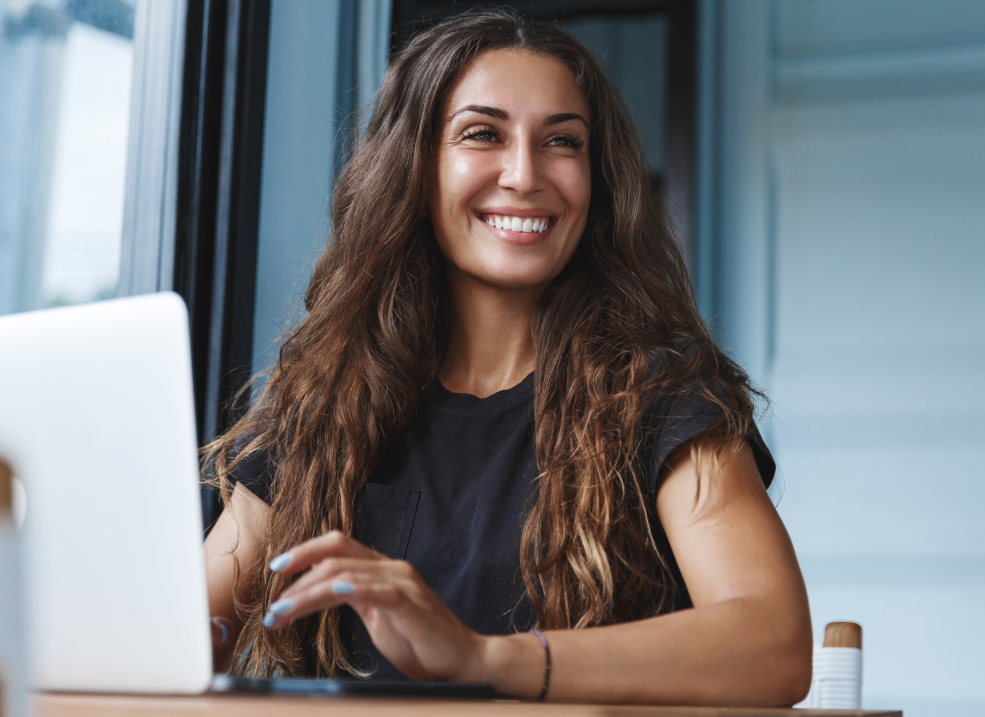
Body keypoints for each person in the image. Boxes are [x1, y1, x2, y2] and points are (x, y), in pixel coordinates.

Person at [203, 9, 812, 705]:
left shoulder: (663, 391)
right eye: (482, 134)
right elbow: (184, 626)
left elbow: (772, 643)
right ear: (415, 166)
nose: (524, 174)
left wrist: (481, 656)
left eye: (561, 142)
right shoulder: (327, 399)